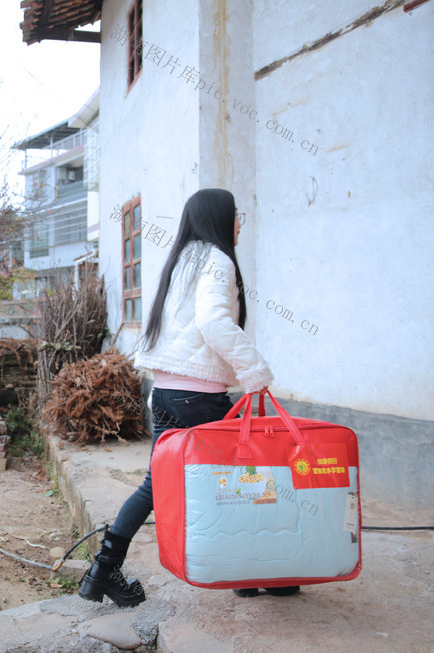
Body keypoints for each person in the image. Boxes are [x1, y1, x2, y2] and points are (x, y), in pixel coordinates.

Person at [77, 188, 284, 606]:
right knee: (246, 479)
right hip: (200, 399)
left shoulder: (183, 260)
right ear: (220, 218)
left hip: (167, 394)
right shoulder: (218, 260)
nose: (240, 222)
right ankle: (254, 569)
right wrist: (254, 371)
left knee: (158, 485)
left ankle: (103, 569)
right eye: (237, 214)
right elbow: (214, 322)